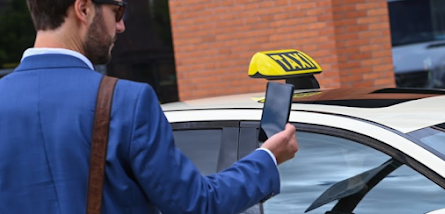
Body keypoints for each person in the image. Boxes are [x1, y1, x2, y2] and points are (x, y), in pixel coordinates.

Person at [0, 0, 299, 213]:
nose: (121, 25)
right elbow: (196, 204)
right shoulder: (126, 100)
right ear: (84, 9)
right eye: (117, 10)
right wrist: (267, 159)